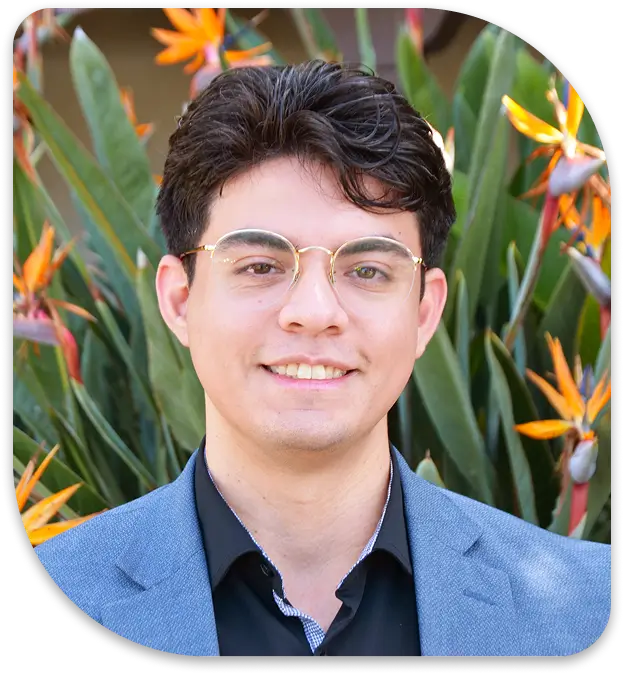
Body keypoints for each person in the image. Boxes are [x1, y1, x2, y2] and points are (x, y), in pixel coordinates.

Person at [33, 60, 610, 658]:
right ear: (179, 301)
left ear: (423, 312)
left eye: (367, 269)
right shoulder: (64, 587)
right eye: (260, 266)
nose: (313, 311)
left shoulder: (590, 608)